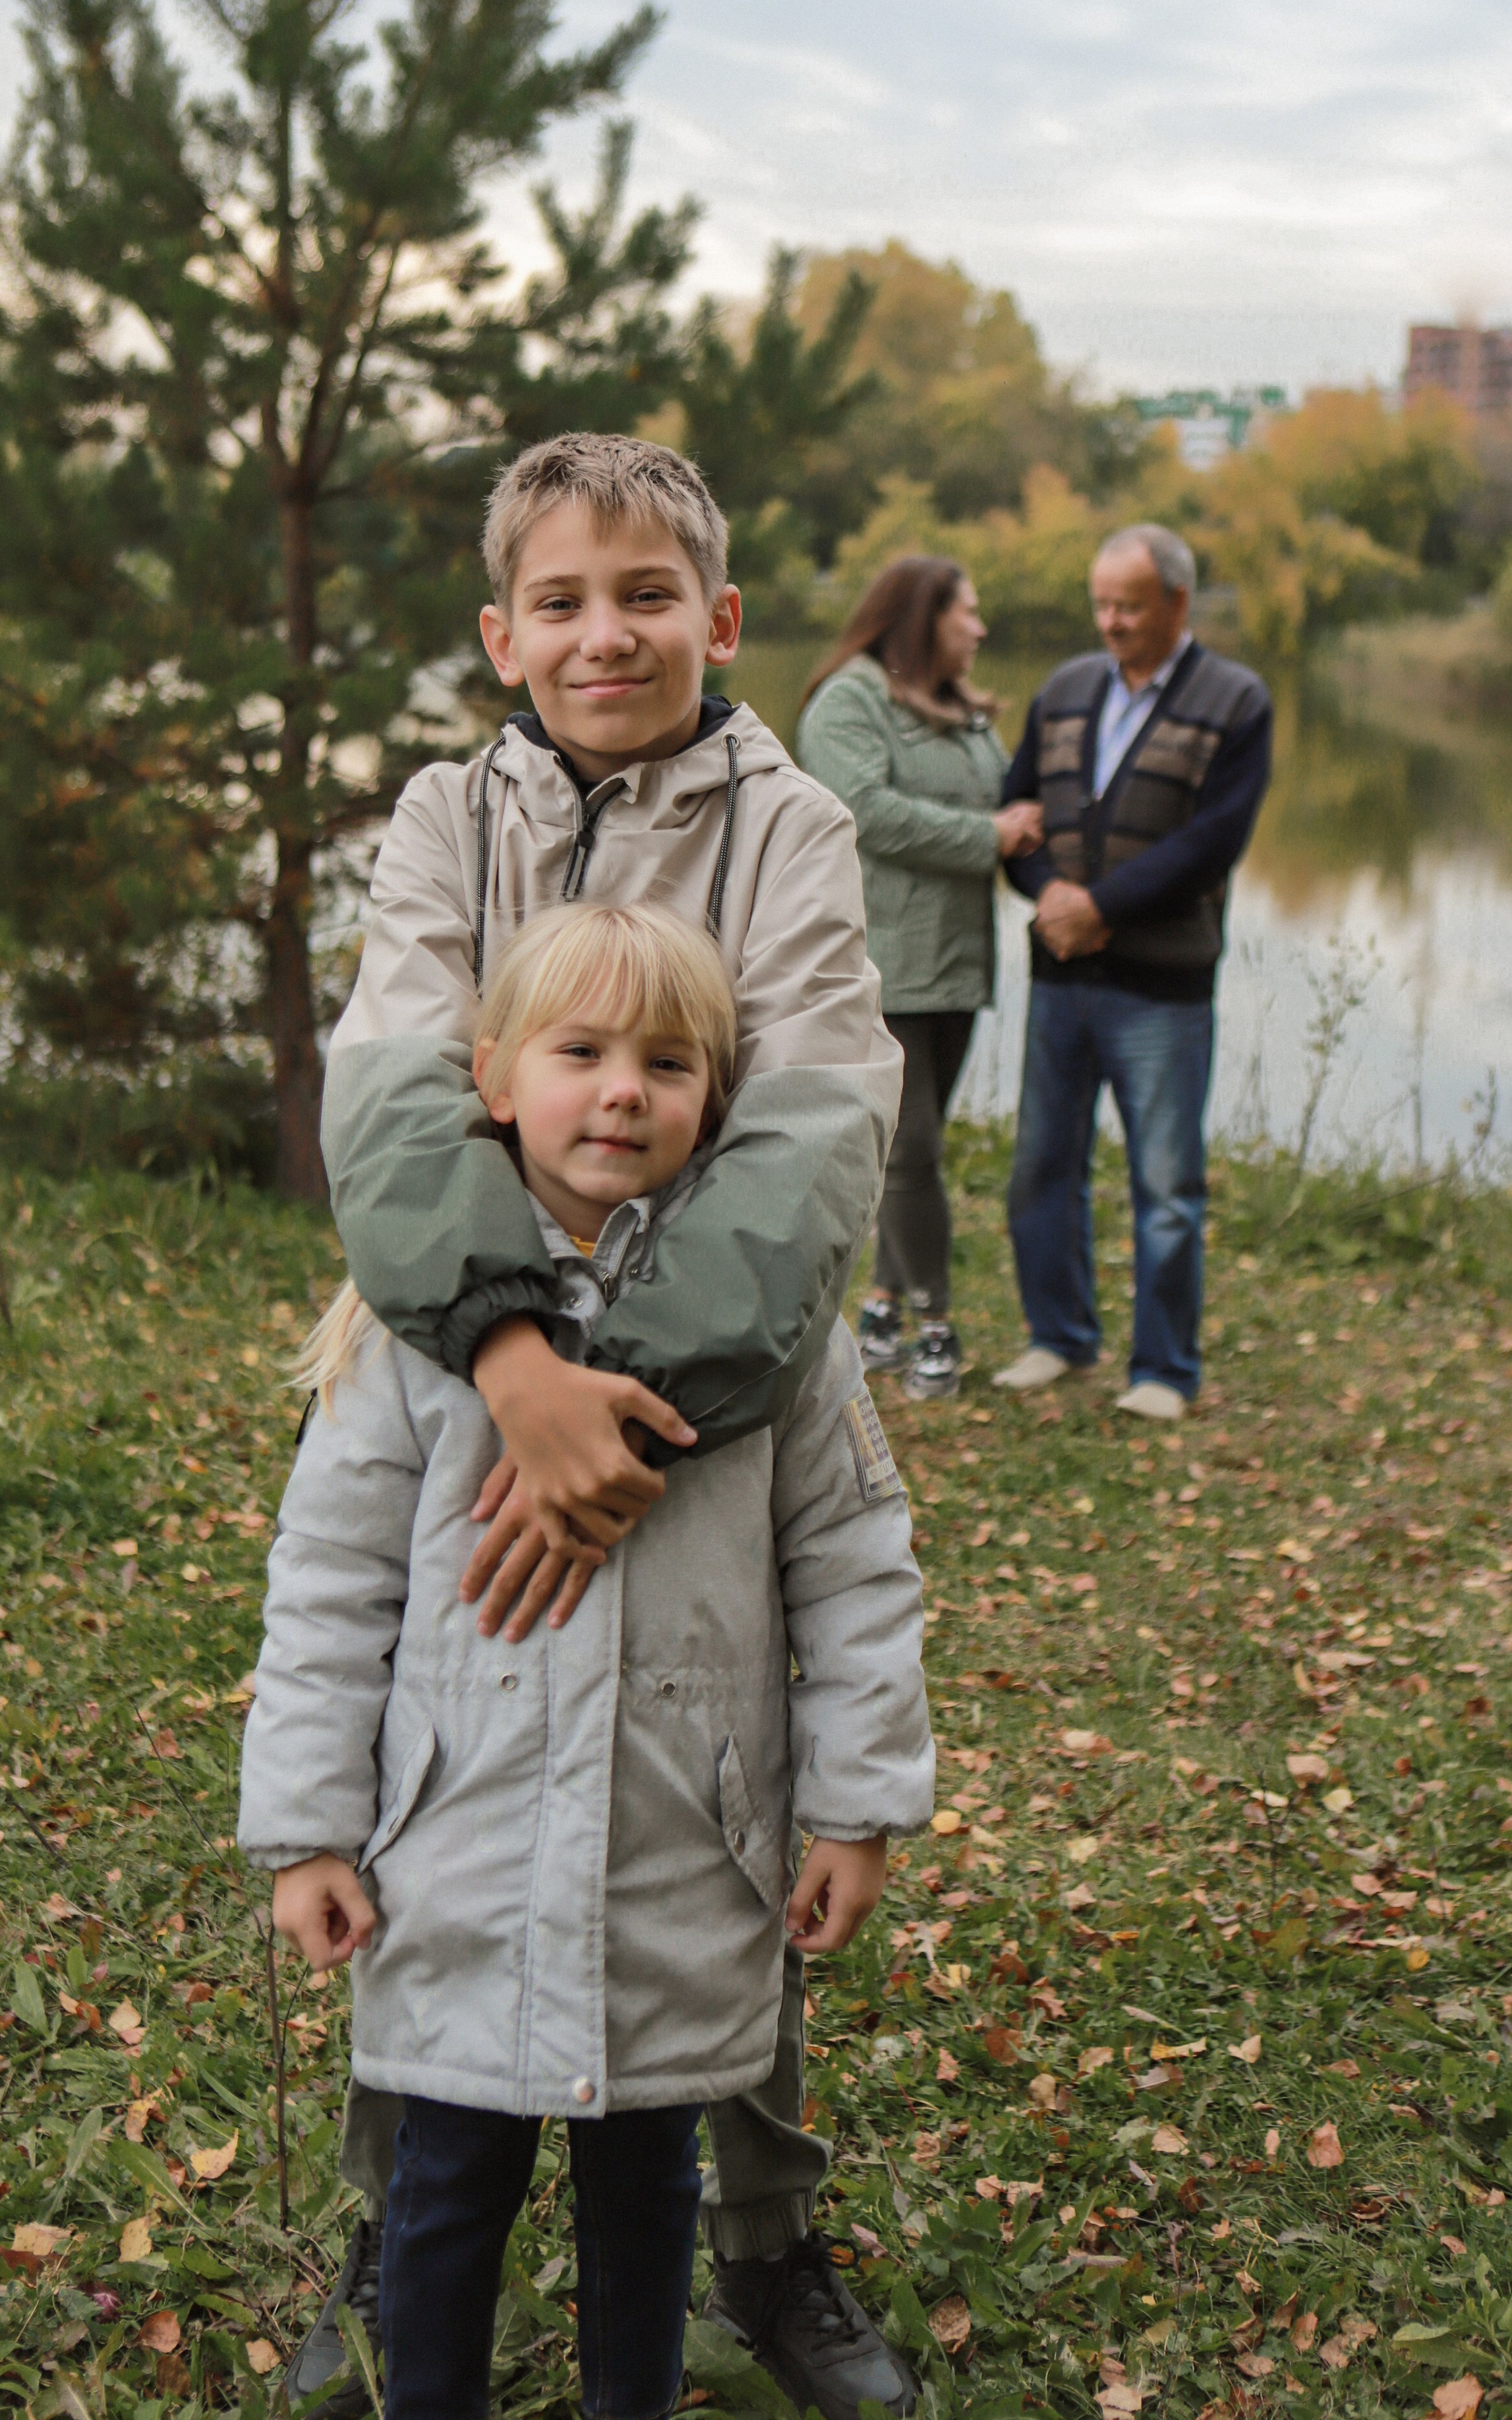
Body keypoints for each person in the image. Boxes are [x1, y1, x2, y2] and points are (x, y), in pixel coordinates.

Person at [302, 434, 919, 2420]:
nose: (603, 633)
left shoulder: (793, 827)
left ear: (716, 618)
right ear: (504, 633)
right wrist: (508, 1368)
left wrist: (626, 1424)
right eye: (558, 600)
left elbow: (818, 1133)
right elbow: (400, 1100)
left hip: (722, 1389)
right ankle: (391, 2217)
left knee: (700, 1797)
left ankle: (766, 2234)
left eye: (644, 594)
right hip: (473, 1352)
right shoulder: (437, 819)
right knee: (450, 1772)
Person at [240, 902, 934, 2420]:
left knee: (645, 2191)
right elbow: (329, 1583)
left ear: (717, 1097)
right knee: (442, 2186)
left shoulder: (779, 1334)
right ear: (493, 1077)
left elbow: (853, 1562)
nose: (621, 1087)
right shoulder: (406, 1328)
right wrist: (306, 1828)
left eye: (666, 1060)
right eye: (580, 1051)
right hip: (456, 1852)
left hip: (679, 1847)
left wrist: (855, 1805)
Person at [993, 524, 1271, 1421]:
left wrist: (1099, 909)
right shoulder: (1066, 688)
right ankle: (1060, 1338)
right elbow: (1016, 813)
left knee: (1167, 1188)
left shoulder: (1236, 700)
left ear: (1177, 604)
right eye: (1101, 604)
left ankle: (1163, 1371)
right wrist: (1048, 896)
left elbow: (1212, 842)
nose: (1110, 622)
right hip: (1061, 971)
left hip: (1163, 987)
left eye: (1129, 605)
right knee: (1041, 1164)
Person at [797, 558, 1042, 1402]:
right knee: (913, 1150)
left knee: (915, 1153)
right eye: (967, 613)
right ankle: (937, 1325)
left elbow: (1016, 805)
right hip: (884, 962)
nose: (979, 629)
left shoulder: (966, 713)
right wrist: (989, 835)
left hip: (957, 962)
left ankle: (881, 1312)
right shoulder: (849, 699)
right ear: (921, 617)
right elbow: (863, 807)